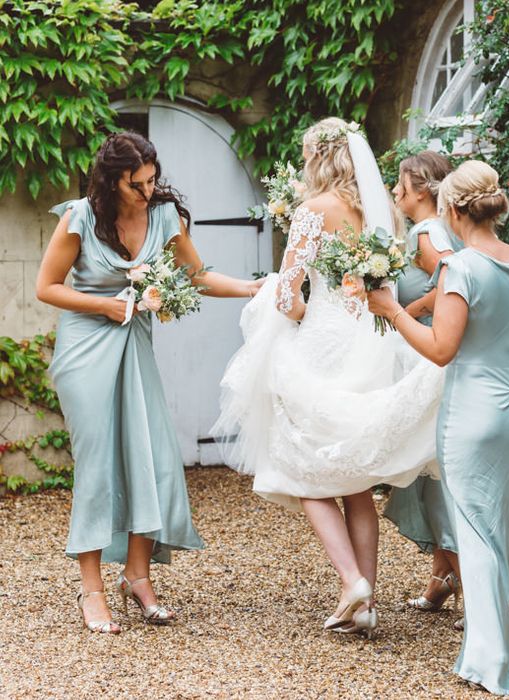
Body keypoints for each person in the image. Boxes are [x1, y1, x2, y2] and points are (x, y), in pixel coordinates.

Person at [214, 118, 444, 639]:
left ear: (318, 158)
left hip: (320, 341)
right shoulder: (380, 211)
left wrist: (292, 312)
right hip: (368, 339)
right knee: (355, 478)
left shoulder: (311, 212)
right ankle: (366, 600)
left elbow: (288, 297)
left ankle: (352, 584)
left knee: (305, 469)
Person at [36, 131, 262, 634]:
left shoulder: (164, 216)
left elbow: (197, 276)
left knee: (154, 458)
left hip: (134, 347)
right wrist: (105, 303)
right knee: (97, 464)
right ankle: (91, 590)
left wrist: (251, 287)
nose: (147, 190)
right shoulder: (79, 217)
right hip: (86, 349)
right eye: (136, 184)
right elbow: (46, 287)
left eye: (152, 180)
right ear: (111, 181)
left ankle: (137, 578)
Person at [368, 160, 509, 695]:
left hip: (476, 410)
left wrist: (391, 309)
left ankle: (490, 659)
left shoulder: (461, 270)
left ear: (453, 210)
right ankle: (493, 632)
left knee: (476, 528)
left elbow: (440, 349)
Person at [384, 151, 462, 615]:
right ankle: (441, 577)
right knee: (430, 470)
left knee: (437, 474)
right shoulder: (430, 230)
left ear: (422, 190)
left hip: (434, 362)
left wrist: (404, 312)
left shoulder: (426, 232)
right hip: (424, 360)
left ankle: (470, 592)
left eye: (401, 184)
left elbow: (458, 277)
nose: (395, 191)